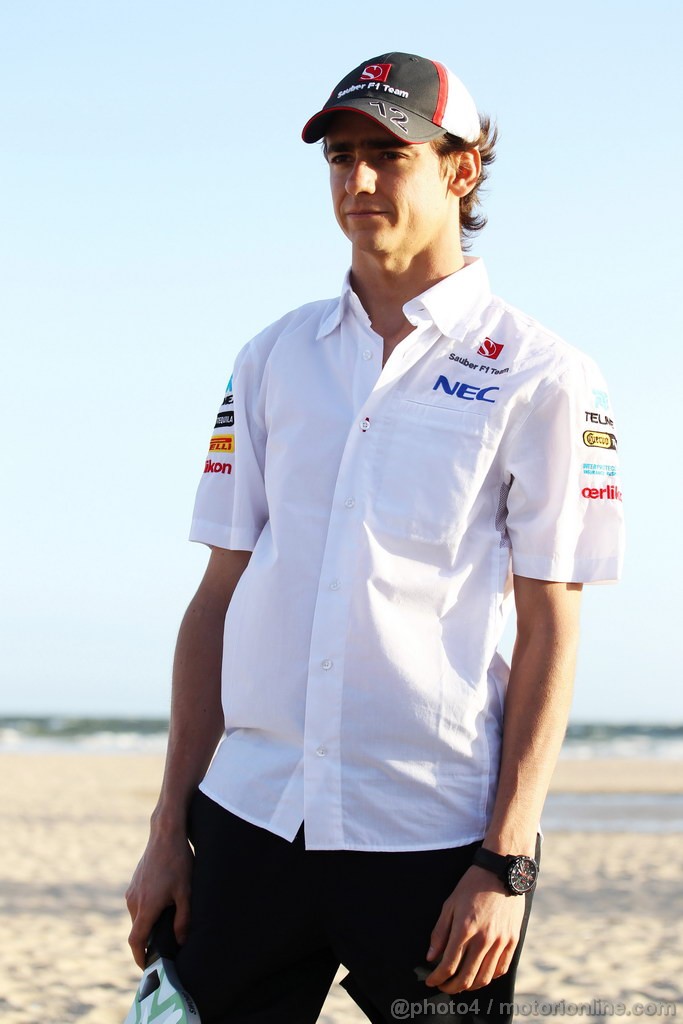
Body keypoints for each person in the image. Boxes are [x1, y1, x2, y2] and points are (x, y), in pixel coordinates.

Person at [125, 51, 624, 1024]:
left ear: (458, 169)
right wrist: (165, 831)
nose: (355, 182)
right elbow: (216, 602)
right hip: (250, 822)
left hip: (430, 846)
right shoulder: (270, 359)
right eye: (339, 157)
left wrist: (504, 861)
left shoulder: (544, 376)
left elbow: (549, 627)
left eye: (385, 155)